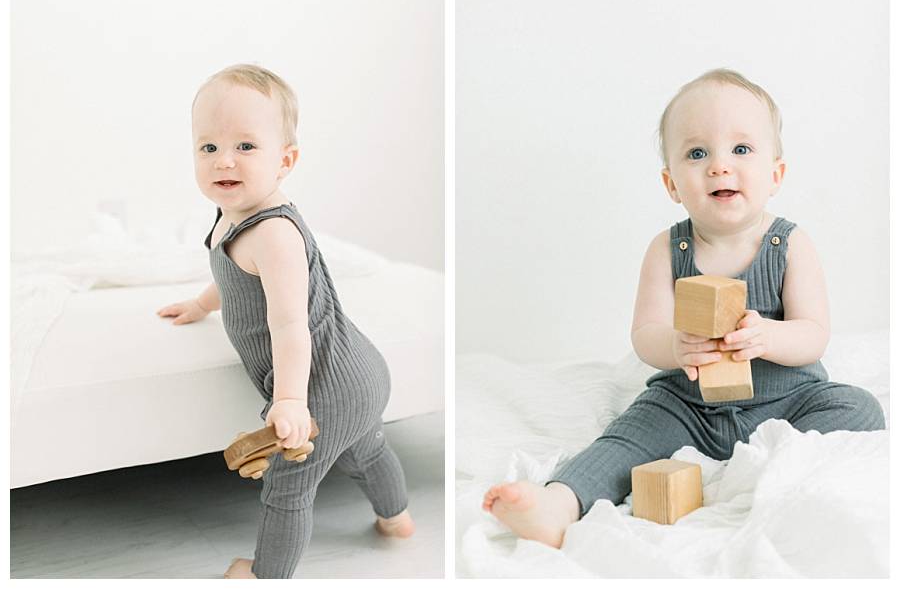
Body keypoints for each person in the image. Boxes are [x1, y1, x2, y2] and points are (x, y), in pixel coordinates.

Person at [482, 68, 885, 548]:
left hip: (785, 400)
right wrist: (677, 345)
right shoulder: (667, 249)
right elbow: (646, 332)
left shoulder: (790, 244)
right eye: (697, 153)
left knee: (859, 407)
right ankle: (559, 503)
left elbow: (814, 333)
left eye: (741, 149)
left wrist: (769, 336)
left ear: (775, 174)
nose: (719, 165)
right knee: (625, 437)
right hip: (690, 404)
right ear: (672, 184)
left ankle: (776, 482)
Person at [157, 64, 414, 578]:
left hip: (326, 388)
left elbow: (291, 325)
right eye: (208, 148)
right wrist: (204, 305)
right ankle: (396, 518)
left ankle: (265, 574)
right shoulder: (233, 215)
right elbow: (234, 276)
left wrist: (291, 400)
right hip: (359, 375)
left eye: (245, 147)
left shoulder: (274, 233)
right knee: (367, 449)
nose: (223, 159)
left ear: (285, 160)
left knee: (287, 485)